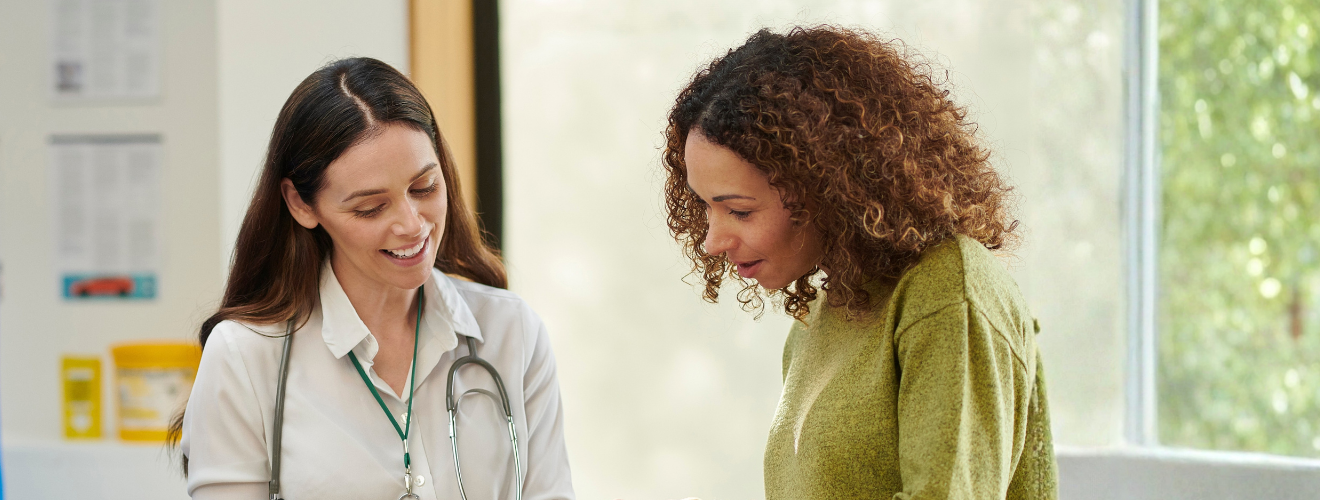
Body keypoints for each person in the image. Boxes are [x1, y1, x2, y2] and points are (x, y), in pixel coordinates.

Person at [662, 27, 1058, 499]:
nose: (712, 241)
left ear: (822, 183)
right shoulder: (819, 316)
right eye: (706, 207)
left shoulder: (951, 292)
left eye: (740, 210)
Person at [171, 57, 574, 500]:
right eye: (370, 207)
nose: (411, 225)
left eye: (424, 188)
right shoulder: (245, 357)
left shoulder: (512, 331)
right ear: (301, 204)